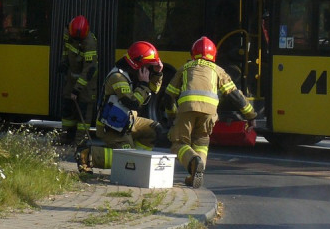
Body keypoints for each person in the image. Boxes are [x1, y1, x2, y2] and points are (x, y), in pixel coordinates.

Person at [164, 36, 256, 188]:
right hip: (209, 112)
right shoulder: (218, 71)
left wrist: (171, 115)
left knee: (178, 142)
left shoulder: (185, 68)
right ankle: (196, 172)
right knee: (201, 141)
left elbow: (169, 95)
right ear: (213, 55)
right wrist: (251, 115)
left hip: (187, 109)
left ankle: (193, 161)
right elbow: (235, 95)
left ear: (193, 53)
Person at [77, 41, 164, 173]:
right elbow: (133, 103)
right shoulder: (118, 77)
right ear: (139, 65)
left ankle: (138, 162)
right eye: (148, 66)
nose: (149, 69)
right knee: (127, 158)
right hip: (112, 127)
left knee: (154, 130)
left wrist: (157, 74)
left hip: (127, 121)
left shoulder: (134, 72)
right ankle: (87, 154)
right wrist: (143, 84)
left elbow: (153, 90)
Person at [59, 15, 99, 145]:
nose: (75, 40)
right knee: (67, 106)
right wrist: (64, 62)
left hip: (87, 82)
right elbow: (65, 49)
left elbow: (90, 69)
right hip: (72, 76)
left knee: (84, 109)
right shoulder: (68, 33)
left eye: (78, 39)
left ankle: (80, 142)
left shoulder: (89, 43)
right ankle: (66, 137)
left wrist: (77, 89)